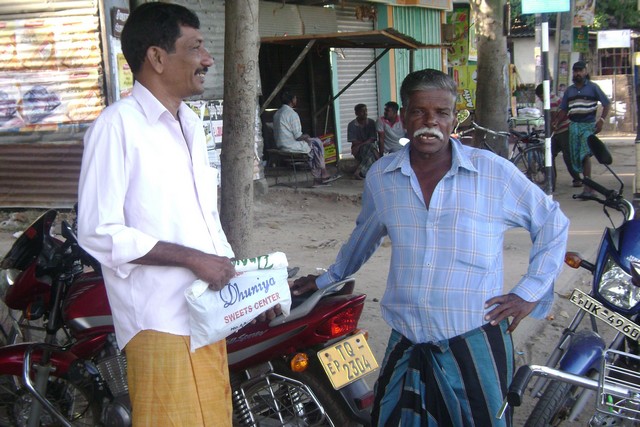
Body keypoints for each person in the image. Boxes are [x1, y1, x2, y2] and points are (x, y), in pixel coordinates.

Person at [291, 69, 569, 426]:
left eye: (441, 113)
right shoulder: (382, 177)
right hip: (408, 342)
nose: (430, 122)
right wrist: (325, 279)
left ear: (453, 119)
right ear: (404, 117)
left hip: (474, 340)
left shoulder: (493, 173)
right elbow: (363, 237)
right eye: (419, 111)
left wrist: (529, 292)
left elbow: (552, 223)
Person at [77, 4, 251, 425]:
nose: (207, 59)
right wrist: (192, 258)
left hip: (205, 315)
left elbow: (203, 218)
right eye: (195, 48)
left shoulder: (190, 124)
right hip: (159, 323)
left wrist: (242, 282)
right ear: (156, 57)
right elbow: (98, 231)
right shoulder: (117, 126)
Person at [558, 61, 611, 198]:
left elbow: (606, 104)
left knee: (584, 154)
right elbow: (564, 110)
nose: (578, 73)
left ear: (585, 72)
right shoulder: (569, 91)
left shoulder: (593, 88)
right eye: (575, 71)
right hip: (573, 126)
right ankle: (587, 186)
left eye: (580, 71)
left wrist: (601, 120)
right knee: (576, 157)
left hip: (588, 126)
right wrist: (555, 123)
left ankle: (589, 187)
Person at [273, 90, 339, 186]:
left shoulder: (277, 113)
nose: (296, 100)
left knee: (313, 144)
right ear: (292, 100)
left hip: (280, 145)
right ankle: (322, 174)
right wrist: (307, 136)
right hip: (290, 145)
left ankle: (319, 176)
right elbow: (298, 136)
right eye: (295, 98)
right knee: (316, 144)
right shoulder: (292, 114)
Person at [535, 83, 582, 188]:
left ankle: (575, 179)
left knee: (564, 156)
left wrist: (548, 134)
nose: (541, 99)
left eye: (541, 97)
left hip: (563, 130)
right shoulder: (553, 97)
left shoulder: (551, 101)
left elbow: (552, 119)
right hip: (559, 131)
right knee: (552, 155)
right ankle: (552, 179)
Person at [347, 103, 379, 179]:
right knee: (372, 149)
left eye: (366, 111)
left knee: (370, 150)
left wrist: (360, 145)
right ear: (356, 113)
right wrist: (363, 144)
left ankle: (358, 172)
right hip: (359, 151)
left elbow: (373, 139)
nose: (365, 113)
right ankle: (379, 162)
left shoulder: (371, 122)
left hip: (365, 148)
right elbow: (354, 141)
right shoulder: (352, 125)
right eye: (362, 111)